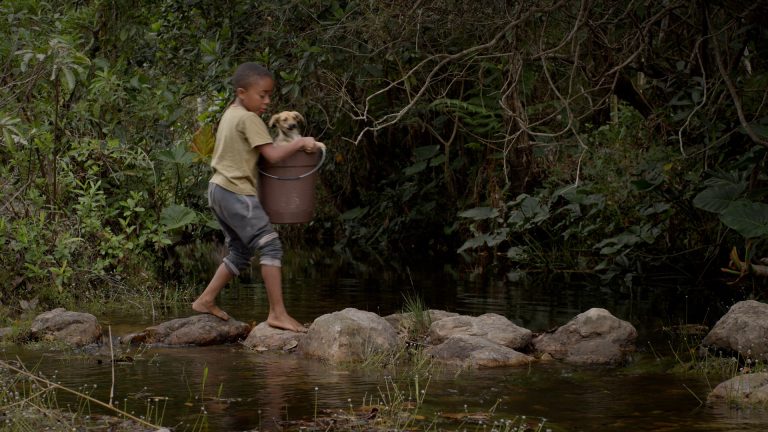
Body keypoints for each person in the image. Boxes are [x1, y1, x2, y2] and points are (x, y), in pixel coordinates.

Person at [191, 62, 321, 332]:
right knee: (271, 246)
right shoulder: (249, 119)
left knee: (240, 251)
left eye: (269, 95)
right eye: (262, 95)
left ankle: (205, 300)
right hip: (236, 193)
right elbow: (272, 156)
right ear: (242, 92)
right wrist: (300, 142)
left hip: (217, 190)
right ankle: (277, 313)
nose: (267, 101)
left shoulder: (230, 113)